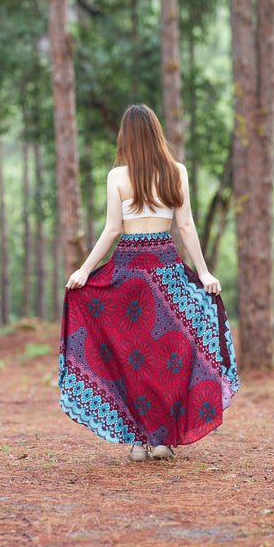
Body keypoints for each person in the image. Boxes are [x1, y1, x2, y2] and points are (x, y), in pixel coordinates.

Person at [58, 104, 239, 461]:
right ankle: (160, 440)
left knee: (130, 356)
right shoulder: (177, 172)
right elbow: (185, 226)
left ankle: (140, 440)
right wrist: (203, 273)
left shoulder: (117, 177)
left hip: (128, 272)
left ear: (125, 136)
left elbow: (113, 231)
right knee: (168, 354)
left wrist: (84, 270)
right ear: (156, 133)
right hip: (166, 270)